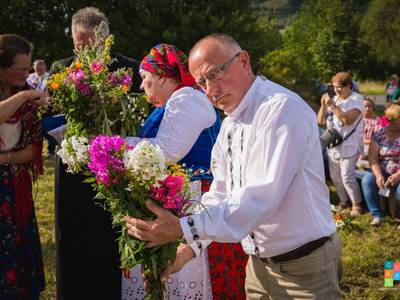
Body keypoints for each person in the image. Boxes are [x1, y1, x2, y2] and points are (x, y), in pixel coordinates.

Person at [125, 33, 342, 299]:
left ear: (244, 61)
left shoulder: (280, 110)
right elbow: (221, 194)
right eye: (202, 82)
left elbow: (259, 200)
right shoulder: (230, 123)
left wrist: (182, 229)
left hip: (304, 267)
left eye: (215, 74)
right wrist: (188, 250)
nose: (211, 91)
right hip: (258, 267)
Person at [122, 43, 247, 300]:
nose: (141, 86)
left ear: (163, 76)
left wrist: (111, 148)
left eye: (145, 79)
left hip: (191, 199)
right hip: (176, 197)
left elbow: (166, 150)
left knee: (182, 280)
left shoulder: (188, 98)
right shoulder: (171, 103)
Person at [53, 7, 141, 300]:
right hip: (72, 168)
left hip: (114, 166)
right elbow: (52, 115)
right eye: (80, 46)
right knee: (72, 233)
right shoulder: (60, 69)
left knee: (108, 232)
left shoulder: (129, 69)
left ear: (105, 39)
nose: (86, 52)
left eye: (92, 44)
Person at [0, 34, 48, 300]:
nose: (26, 74)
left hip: (15, 190)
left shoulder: (27, 97)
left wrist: (4, 160)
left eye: (28, 68)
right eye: (20, 69)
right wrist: (26, 95)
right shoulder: (26, 96)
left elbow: (32, 150)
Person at [317, 72, 364, 216]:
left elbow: (347, 120)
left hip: (349, 145)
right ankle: (344, 202)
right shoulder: (334, 99)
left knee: (347, 177)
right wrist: (324, 105)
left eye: (339, 87)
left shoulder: (356, 99)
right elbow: (320, 121)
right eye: (334, 87)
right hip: (333, 146)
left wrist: (332, 105)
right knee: (336, 178)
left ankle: (357, 205)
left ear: (348, 86)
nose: (336, 90)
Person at [361, 103, 400, 226]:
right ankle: (377, 215)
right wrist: (378, 175)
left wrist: (398, 175)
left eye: (395, 120)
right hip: (383, 169)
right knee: (367, 181)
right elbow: (373, 159)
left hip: (399, 172)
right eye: (389, 119)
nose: (391, 122)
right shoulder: (379, 134)